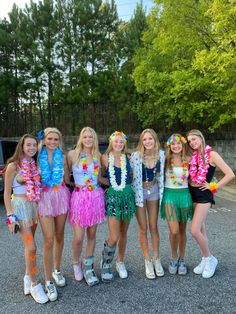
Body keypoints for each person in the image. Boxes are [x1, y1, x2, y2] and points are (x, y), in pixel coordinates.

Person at [4, 134, 48, 304]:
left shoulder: (34, 164)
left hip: (34, 207)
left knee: (29, 247)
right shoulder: (13, 166)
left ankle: (27, 277)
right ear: (21, 146)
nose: (31, 148)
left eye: (34, 145)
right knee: (32, 246)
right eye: (28, 145)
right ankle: (35, 284)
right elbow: (7, 193)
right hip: (20, 208)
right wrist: (10, 216)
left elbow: (38, 184)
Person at [187, 129, 235, 278]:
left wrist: (214, 186)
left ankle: (210, 258)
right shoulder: (192, 156)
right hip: (191, 193)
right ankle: (204, 259)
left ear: (201, 138)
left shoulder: (212, 155)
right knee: (201, 229)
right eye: (189, 141)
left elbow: (230, 174)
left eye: (194, 139)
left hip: (204, 195)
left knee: (194, 231)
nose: (192, 143)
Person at [67, 127, 105, 286]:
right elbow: (65, 178)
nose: (88, 139)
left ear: (94, 139)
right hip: (79, 197)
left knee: (91, 234)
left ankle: (88, 265)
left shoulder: (98, 156)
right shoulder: (71, 155)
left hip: (96, 197)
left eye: (91, 137)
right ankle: (76, 262)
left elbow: (101, 177)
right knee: (78, 236)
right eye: (85, 136)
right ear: (81, 138)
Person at [38, 127, 70, 301]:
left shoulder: (63, 157)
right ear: (44, 139)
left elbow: (66, 180)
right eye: (49, 139)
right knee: (48, 239)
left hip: (61, 196)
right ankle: (48, 280)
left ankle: (57, 270)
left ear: (59, 141)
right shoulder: (37, 157)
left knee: (59, 235)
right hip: (44, 198)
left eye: (56, 139)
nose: (52, 142)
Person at [100, 131, 136, 282]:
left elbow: (132, 176)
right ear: (111, 142)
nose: (119, 144)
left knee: (123, 232)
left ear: (124, 143)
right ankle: (106, 262)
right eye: (116, 142)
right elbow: (99, 176)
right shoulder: (104, 158)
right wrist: (110, 186)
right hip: (114, 198)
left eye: (121, 142)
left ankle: (120, 262)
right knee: (114, 236)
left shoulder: (128, 157)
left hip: (127, 197)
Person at [130, 129, 165, 279]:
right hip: (139, 192)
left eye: (150, 139)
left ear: (155, 140)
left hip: (155, 190)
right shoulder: (135, 156)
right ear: (141, 142)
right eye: (145, 139)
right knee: (143, 228)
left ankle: (157, 259)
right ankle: (147, 260)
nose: (148, 142)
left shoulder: (161, 155)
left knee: (153, 226)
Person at [160, 134, 193, 275]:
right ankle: (174, 257)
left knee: (182, 230)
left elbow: (196, 178)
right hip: (169, 196)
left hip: (184, 195)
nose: (176, 146)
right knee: (174, 230)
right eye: (173, 144)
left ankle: (182, 259)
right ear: (169, 146)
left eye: (178, 143)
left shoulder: (189, 160)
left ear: (183, 145)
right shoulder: (165, 160)